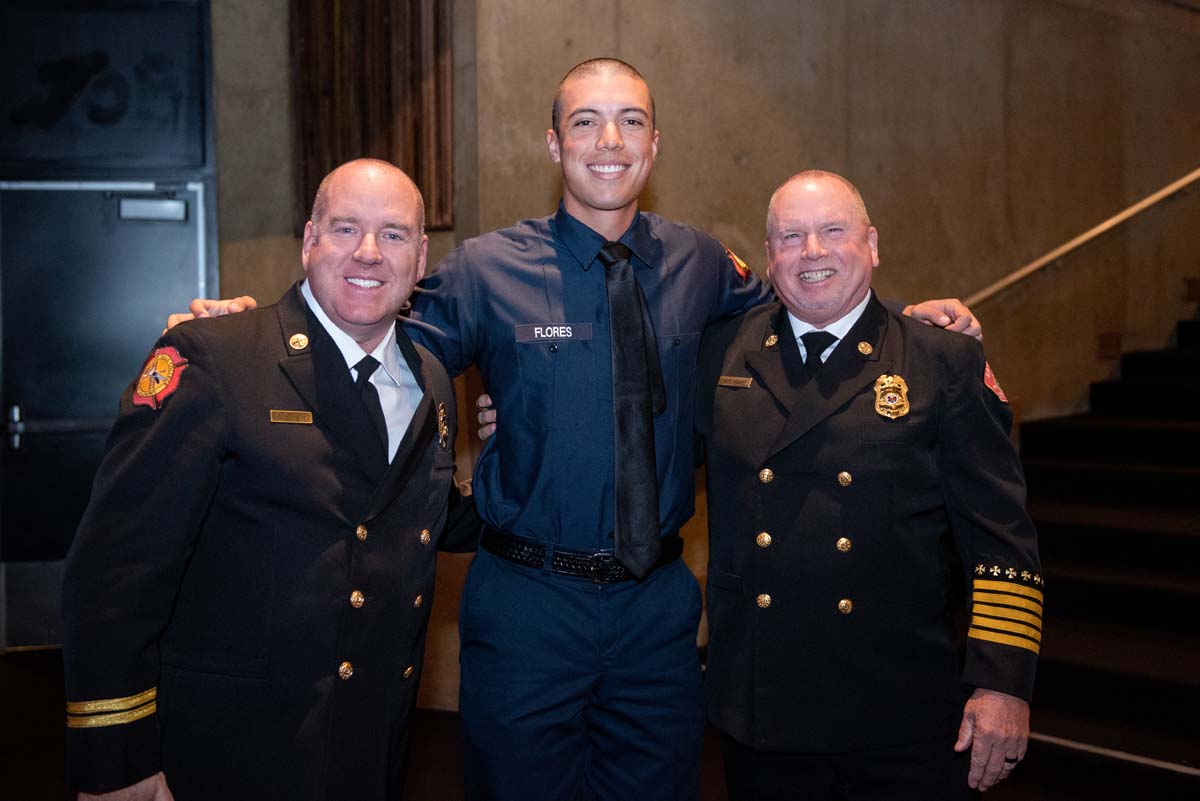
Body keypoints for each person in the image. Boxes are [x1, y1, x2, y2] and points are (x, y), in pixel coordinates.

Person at [181, 60, 981, 800]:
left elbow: (809, 300)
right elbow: (364, 317)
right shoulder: (486, 270)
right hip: (528, 604)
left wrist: (913, 335)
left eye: (631, 122)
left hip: (657, 613)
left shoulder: (702, 261)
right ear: (553, 142)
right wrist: (251, 331)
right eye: (588, 121)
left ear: (655, 145)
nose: (609, 142)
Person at [62, 159, 479, 801]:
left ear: (420, 257)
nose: (368, 253)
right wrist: (117, 763)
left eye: (393, 235)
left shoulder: (429, 378)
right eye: (346, 229)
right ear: (310, 239)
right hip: (229, 752)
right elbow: (115, 572)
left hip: (370, 746)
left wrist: (527, 450)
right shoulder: (215, 357)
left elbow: (422, 516)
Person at [694, 171, 1041, 800]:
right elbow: (641, 449)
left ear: (873, 244)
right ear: (770, 256)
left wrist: (1002, 683)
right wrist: (514, 415)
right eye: (791, 236)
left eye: (833, 231)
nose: (813, 252)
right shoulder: (721, 353)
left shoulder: (941, 359)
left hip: (900, 712)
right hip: (763, 708)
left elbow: (1001, 538)